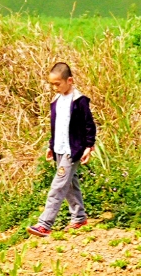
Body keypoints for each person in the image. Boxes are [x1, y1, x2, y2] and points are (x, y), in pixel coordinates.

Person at [28, 62, 97, 236]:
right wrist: (51, 146)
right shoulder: (56, 101)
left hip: (72, 149)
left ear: (70, 80)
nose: (54, 87)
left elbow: (89, 125)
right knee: (70, 183)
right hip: (59, 147)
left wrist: (89, 146)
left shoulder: (79, 101)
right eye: (52, 84)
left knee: (58, 185)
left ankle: (45, 224)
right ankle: (79, 218)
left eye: (57, 84)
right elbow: (56, 126)